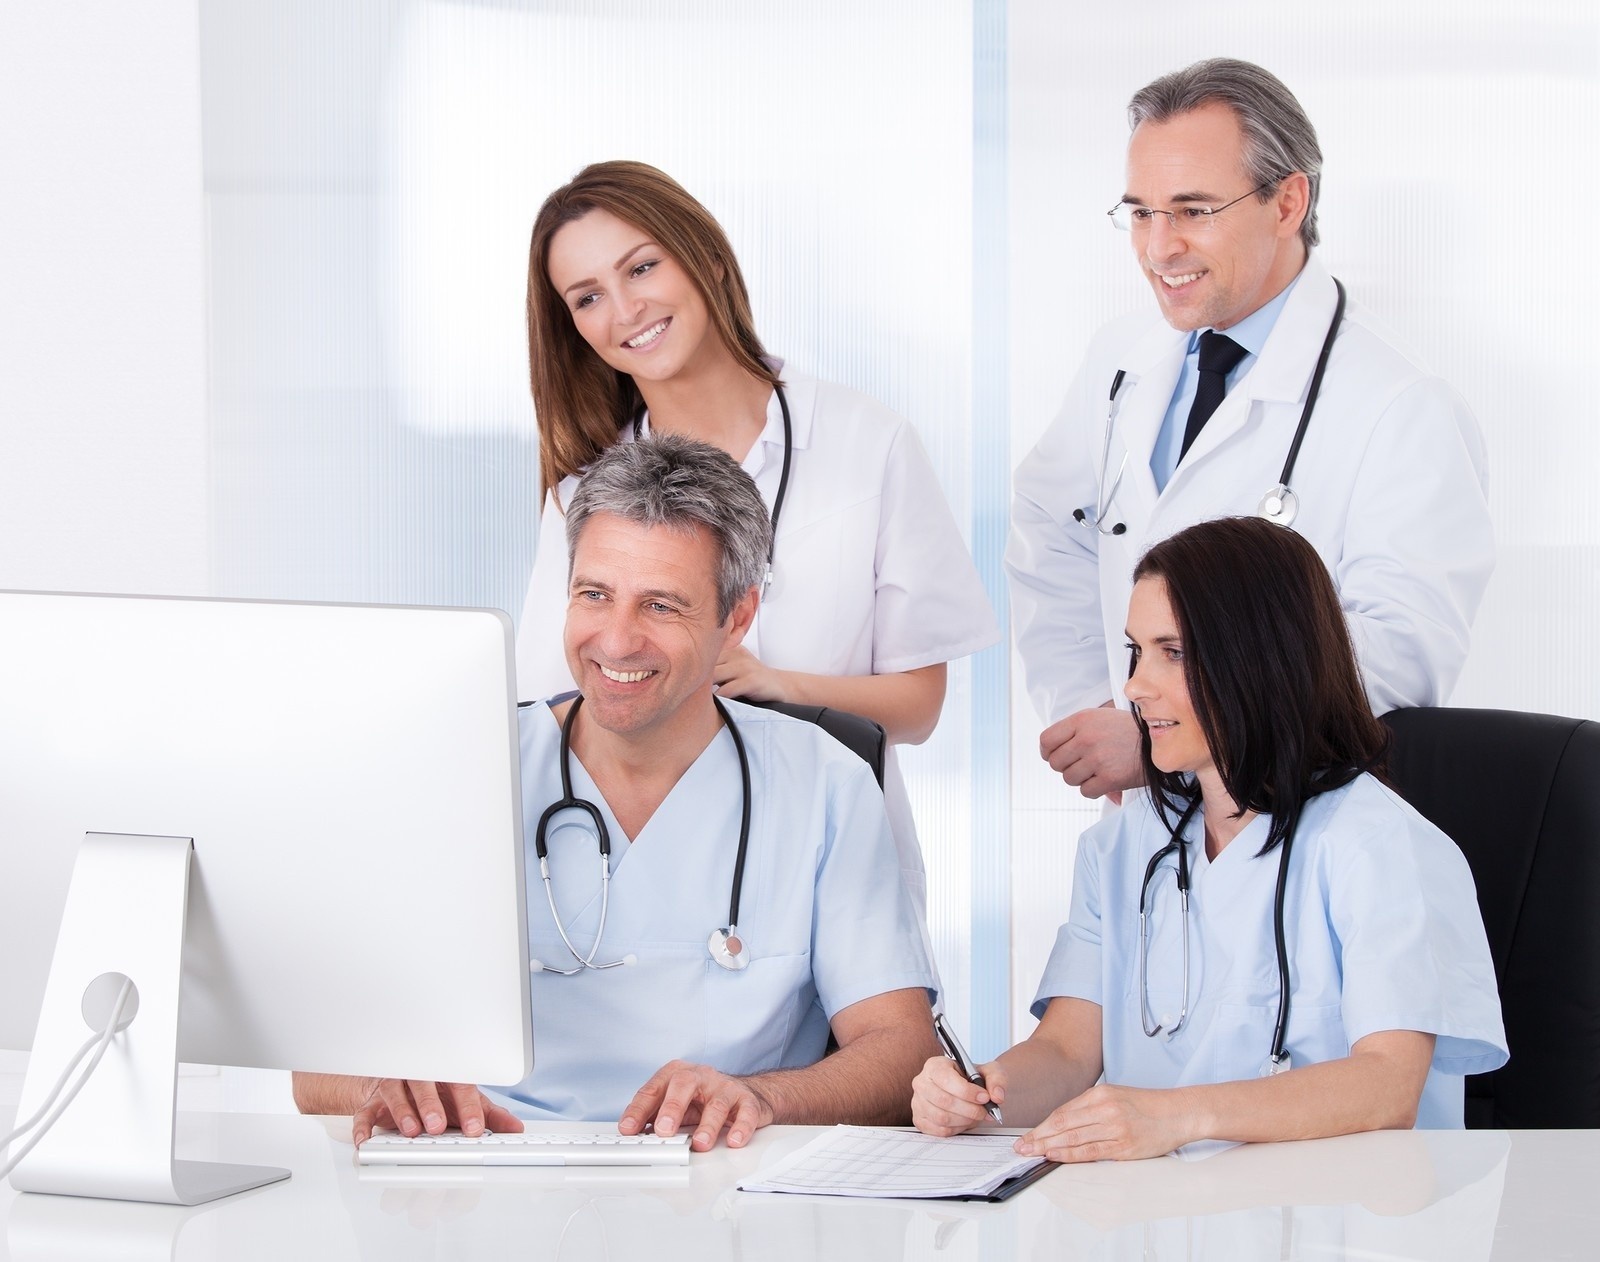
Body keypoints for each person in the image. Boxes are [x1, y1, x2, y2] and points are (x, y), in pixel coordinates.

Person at [295, 437, 939, 1151]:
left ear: (737, 617)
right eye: (594, 595)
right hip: (484, 1170)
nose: (617, 640)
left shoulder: (824, 782)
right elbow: (315, 1065)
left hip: (717, 1175)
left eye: (661, 605)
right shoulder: (457, 764)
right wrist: (380, 1087)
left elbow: (902, 1053)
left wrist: (761, 1098)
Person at [913, 517, 1506, 1160]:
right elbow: (1066, 1051)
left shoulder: (1379, 844)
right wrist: (983, 1092)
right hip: (1168, 1205)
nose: (1135, 686)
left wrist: (1176, 1116)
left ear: (1262, 660)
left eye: (1172, 652)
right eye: (1136, 651)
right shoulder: (1126, 844)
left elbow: (1387, 1086)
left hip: (1338, 1208)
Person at [516, 160, 999, 932]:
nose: (625, 309)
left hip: (835, 869)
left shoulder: (866, 443)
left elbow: (918, 707)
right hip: (647, 876)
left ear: (706, 257)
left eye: (641, 267)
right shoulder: (582, 494)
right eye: (587, 297)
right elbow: (548, 708)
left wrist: (776, 685)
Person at [1006, 58, 1493, 801]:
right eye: (1141, 212)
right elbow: (1050, 535)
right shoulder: (1120, 358)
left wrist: (1172, 731)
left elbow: (1399, 654)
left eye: (1194, 210)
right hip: (1144, 819)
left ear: (1288, 201)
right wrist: (1100, 708)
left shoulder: (1402, 404)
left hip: (1290, 816)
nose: (1158, 248)